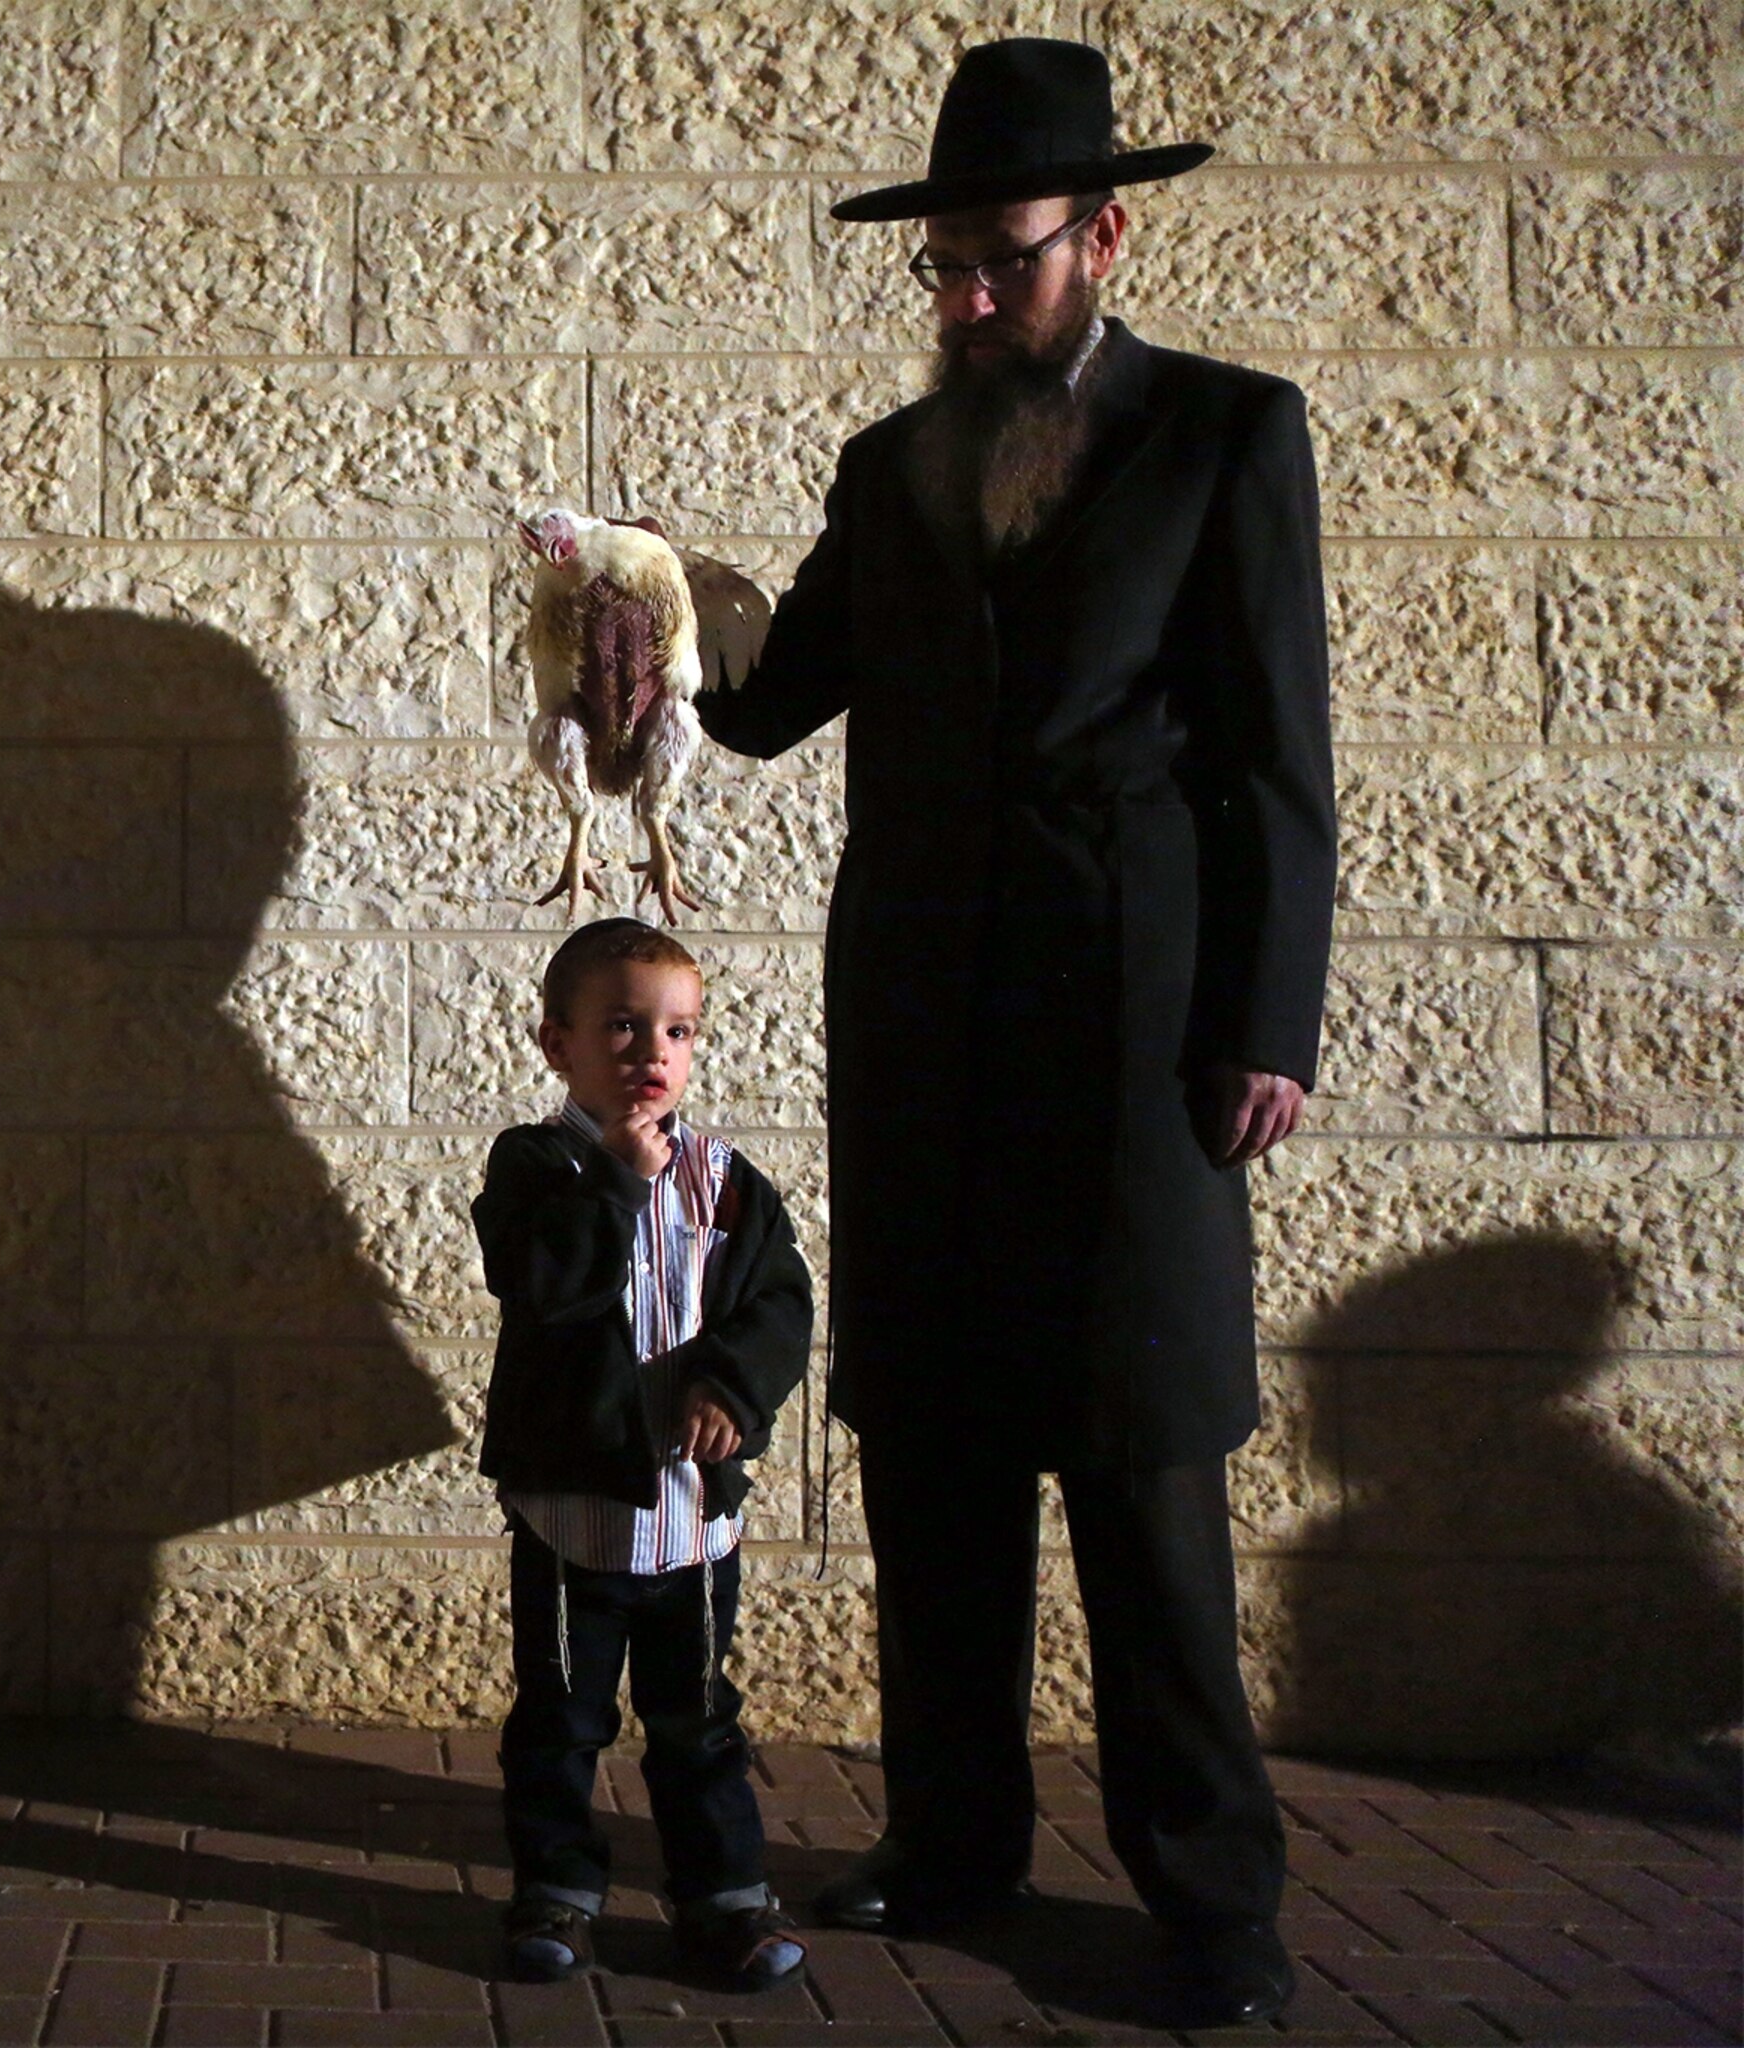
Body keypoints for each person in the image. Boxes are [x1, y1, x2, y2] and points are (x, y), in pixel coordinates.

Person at [671, 37, 1336, 2029]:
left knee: (1139, 1463)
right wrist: (653, 605)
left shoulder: (1229, 434)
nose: (965, 300)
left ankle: (1214, 1900)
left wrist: (1266, 1019)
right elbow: (769, 703)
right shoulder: (893, 470)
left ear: (1104, 233)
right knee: (936, 1454)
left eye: (1002, 261)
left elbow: (1281, 759)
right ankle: (953, 1836)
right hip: (923, 1030)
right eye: (942, 267)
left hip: (1141, 1039)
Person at [469, 918, 818, 1988]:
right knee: (563, 1719)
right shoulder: (540, 1164)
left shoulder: (726, 1179)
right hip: (575, 1518)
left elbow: (779, 1301)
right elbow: (540, 1279)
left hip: (692, 1520)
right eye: (620, 1027)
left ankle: (723, 1899)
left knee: (700, 1718)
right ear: (555, 1041)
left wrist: (731, 1386)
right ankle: (559, 1893)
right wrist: (615, 1183)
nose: (650, 1053)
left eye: (676, 1030)